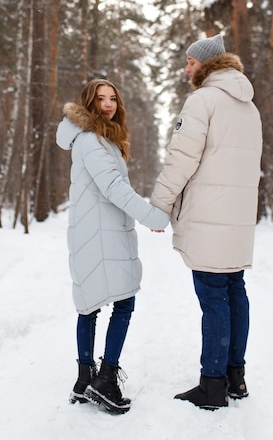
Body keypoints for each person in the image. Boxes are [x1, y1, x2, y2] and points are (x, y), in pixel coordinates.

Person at [150, 34, 262, 411]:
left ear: (208, 65)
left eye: (190, 62)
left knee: (214, 298)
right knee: (235, 293)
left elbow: (181, 157)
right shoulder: (249, 106)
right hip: (237, 220)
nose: (187, 69)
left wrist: (160, 204)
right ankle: (235, 376)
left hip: (209, 217)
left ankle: (212, 385)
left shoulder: (203, 100)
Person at [56, 78, 169, 415]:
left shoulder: (99, 138)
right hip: (101, 234)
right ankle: (104, 379)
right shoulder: (92, 140)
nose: (108, 104)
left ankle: (84, 380)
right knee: (123, 302)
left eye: (112, 99)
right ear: (88, 103)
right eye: (100, 98)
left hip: (96, 231)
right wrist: (152, 216)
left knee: (89, 304)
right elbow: (113, 188)